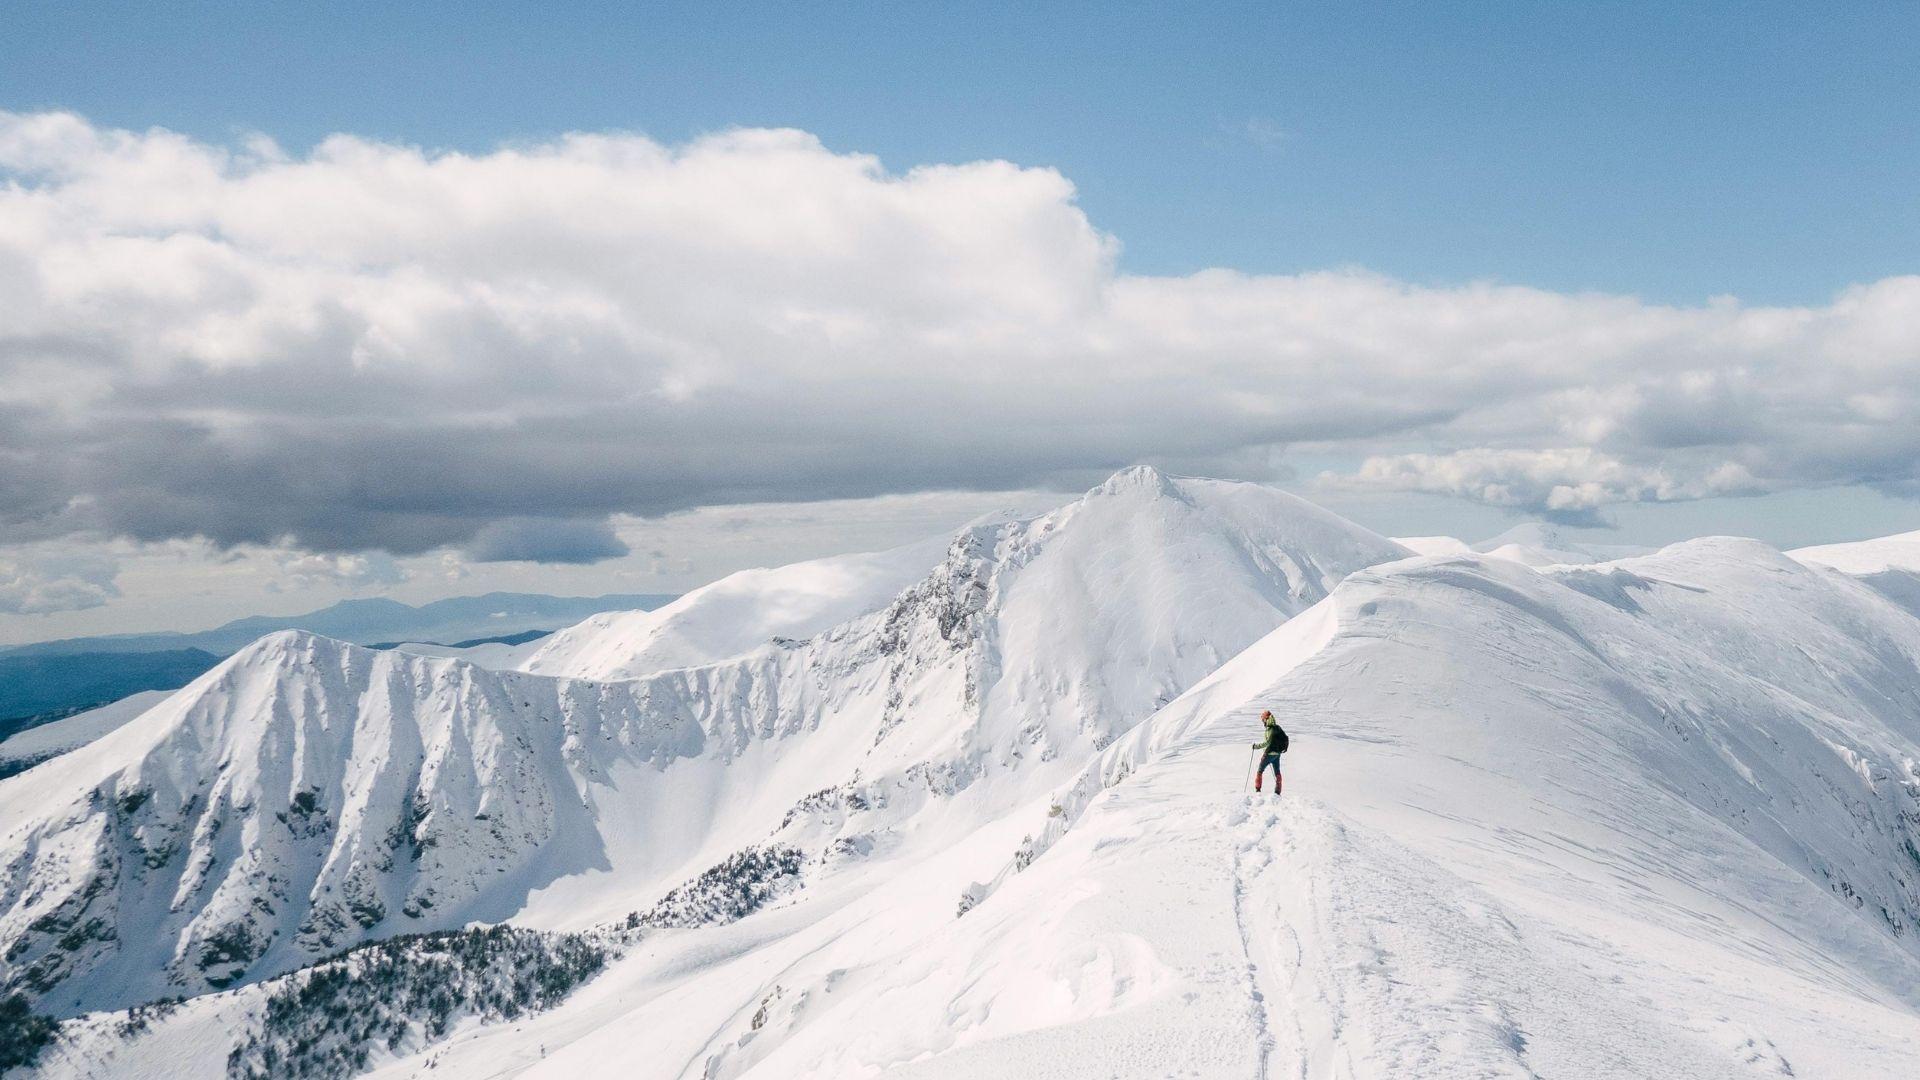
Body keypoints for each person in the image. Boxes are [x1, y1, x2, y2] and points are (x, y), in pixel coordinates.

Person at [1252, 710, 1288, 795]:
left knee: (1260, 771)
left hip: (1269, 754)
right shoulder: (1277, 727)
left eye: (1263, 720)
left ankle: (1258, 790)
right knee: (1277, 772)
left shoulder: (1270, 729)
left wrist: (1256, 746)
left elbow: (1267, 743)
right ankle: (1277, 792)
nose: (1263, 722)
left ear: (1266, 719)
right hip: (1277, 754)